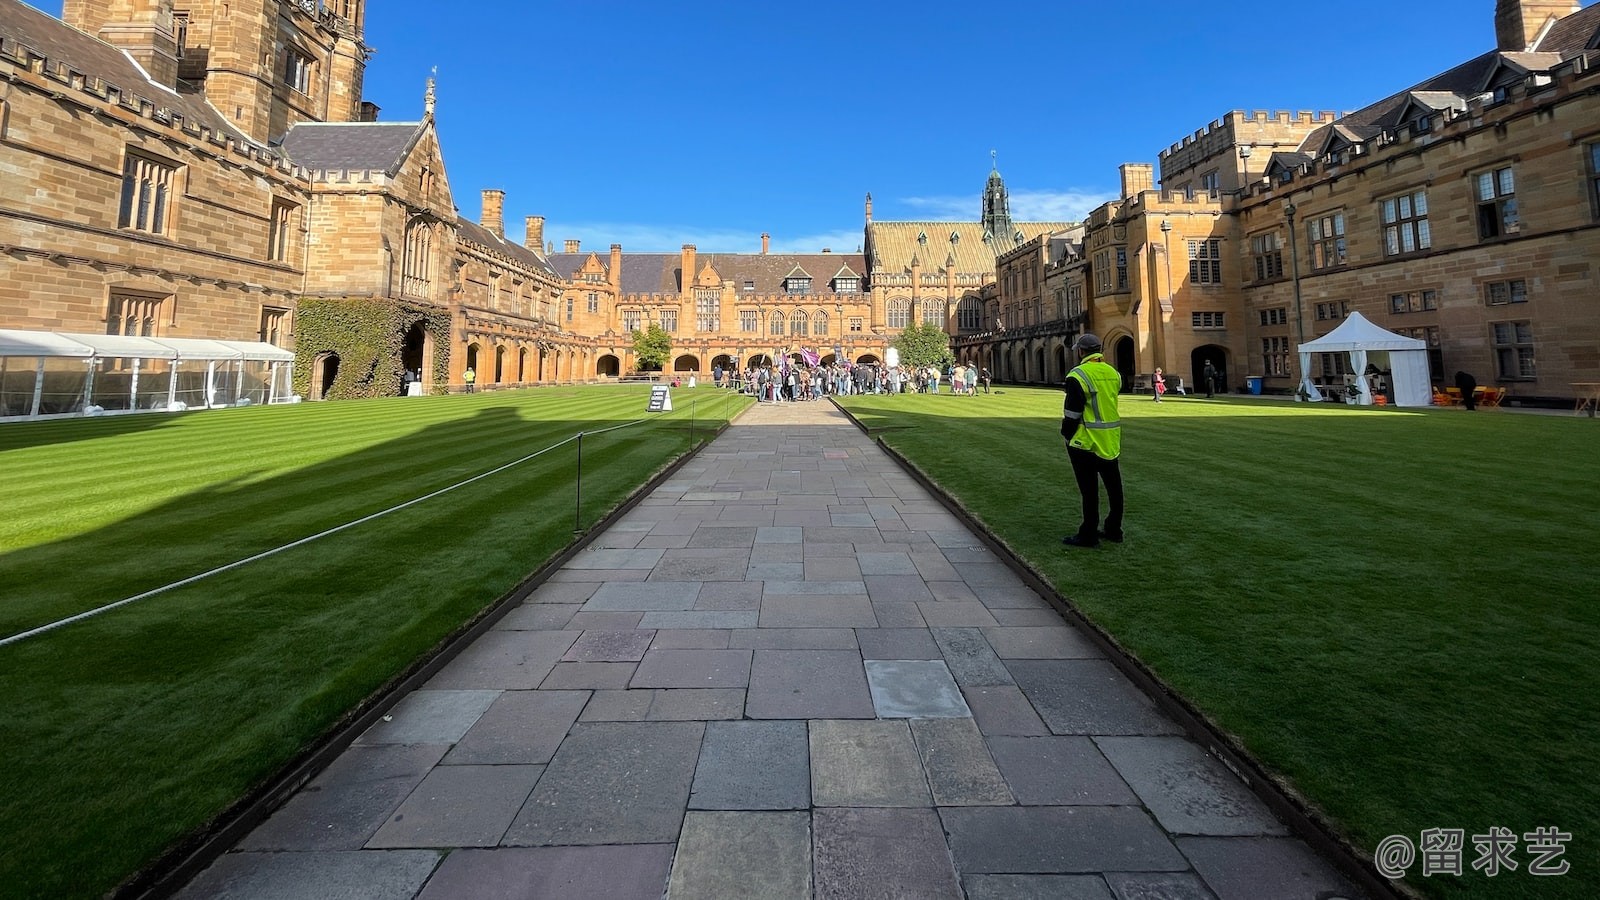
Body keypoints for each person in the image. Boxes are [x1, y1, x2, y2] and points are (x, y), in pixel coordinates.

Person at [1061, 333, 1123, 548]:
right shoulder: (1114, 373)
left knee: (1089, 491)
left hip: (1085, 441)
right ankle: (1114, 529)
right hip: (1110, 439)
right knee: (1114, 488)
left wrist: (1066, 434)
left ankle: (1089, 534)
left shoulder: (1078, 375)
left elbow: (1072, 412)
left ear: (1081, 351)